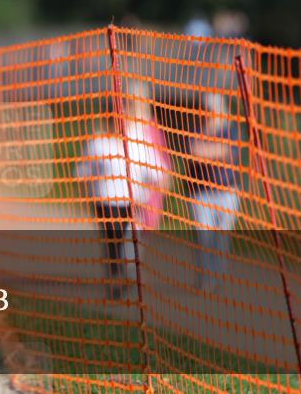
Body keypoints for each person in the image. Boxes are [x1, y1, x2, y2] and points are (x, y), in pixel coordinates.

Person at [74, 82, 173, 300]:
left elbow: (157, 171)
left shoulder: (138, 141)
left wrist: (154, 190)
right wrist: (87, 194)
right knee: (111, 242)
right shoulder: (99, 142)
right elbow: (82, 172)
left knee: (128, 243)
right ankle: (115, 280)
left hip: (132, 204)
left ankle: (128, 276)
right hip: (105, 203)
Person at [186, 91, 243, 291]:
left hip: (227, 192)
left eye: (211, 109)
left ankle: (217, 277)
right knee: (203, 237)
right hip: (201, 193)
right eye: (206, 109)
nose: (208, 113)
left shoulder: (231, 130)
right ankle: (206, 278)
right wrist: (215, 151)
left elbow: (230, 152)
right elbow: (194, 152)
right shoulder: (197, 129)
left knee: (220, 238)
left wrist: (210, 151)